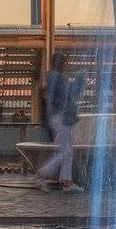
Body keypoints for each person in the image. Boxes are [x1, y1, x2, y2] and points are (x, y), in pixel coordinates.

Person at [35, 51, 83, 192]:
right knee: (66, 150)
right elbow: (69, 94)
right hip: (61, 117)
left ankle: (66, 182)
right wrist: (80, 79)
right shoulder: (56, 77)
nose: (64, 65)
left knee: (67, 150)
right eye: (62, 62)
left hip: (57, 117)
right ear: (59, 63)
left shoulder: (51, 76)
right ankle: (42, 175)